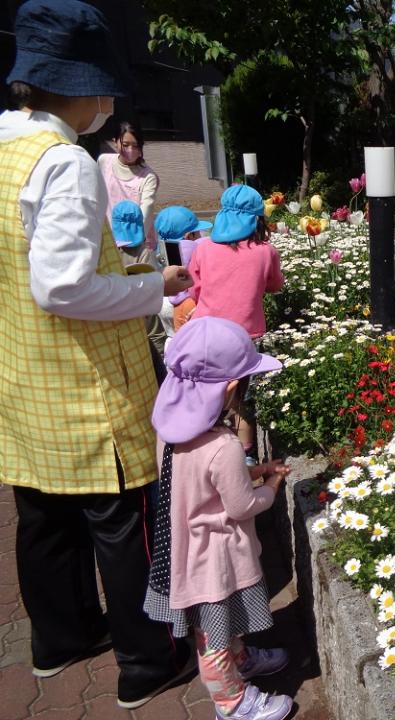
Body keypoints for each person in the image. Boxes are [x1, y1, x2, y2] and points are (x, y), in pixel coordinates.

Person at [0, 0, 193, 707]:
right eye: (104, 86)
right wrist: (153, 288)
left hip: (22, 375)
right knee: (121, 522)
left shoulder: (3, 146)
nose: (110, 103)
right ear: (78, 86)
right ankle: (147, 662)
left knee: (44, 517)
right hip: (86, 383)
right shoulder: (68, 163)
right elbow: (63, 286)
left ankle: (61, 640)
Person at [147, 316, 293, 720]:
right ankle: (232, 703)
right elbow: (242, 507)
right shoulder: (224, 446)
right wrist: (272, 487)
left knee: (221, 623)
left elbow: (198, 484)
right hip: (213, 561)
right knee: (211, 636)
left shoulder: (168, 432)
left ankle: (241, 658)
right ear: (230, 389)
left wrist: (251, 472)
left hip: (184, 549)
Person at [188, 184, 284, 462]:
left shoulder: (204, 248)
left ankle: (209, 449)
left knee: (209, 391)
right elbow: (275, 285)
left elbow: (196, 289)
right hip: (244, 336)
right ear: (257, 221)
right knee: (242, 396)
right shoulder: (266, 252)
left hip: (206, 334)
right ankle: (247, 455)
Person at [111, 199, 170, 358]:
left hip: (116, 308)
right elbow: (156, 280)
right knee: (155, 338)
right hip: (143, 309)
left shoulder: (110, 249)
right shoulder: (144, 252)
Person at [98, 120, 161, 251]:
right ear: (115, 142)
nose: (130, 150)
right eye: (125, 145)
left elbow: (146, 212)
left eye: (135, 145)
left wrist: (134, 242)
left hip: (138, 242)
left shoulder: (148, 177)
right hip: (109, 239)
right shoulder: (104, 161)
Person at [154, 205, 212, 331]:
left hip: (163, 305)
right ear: (189, 236)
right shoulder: (194, 250)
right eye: (198, 232)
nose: (200, 235)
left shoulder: (159, 255)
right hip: (187, 305)